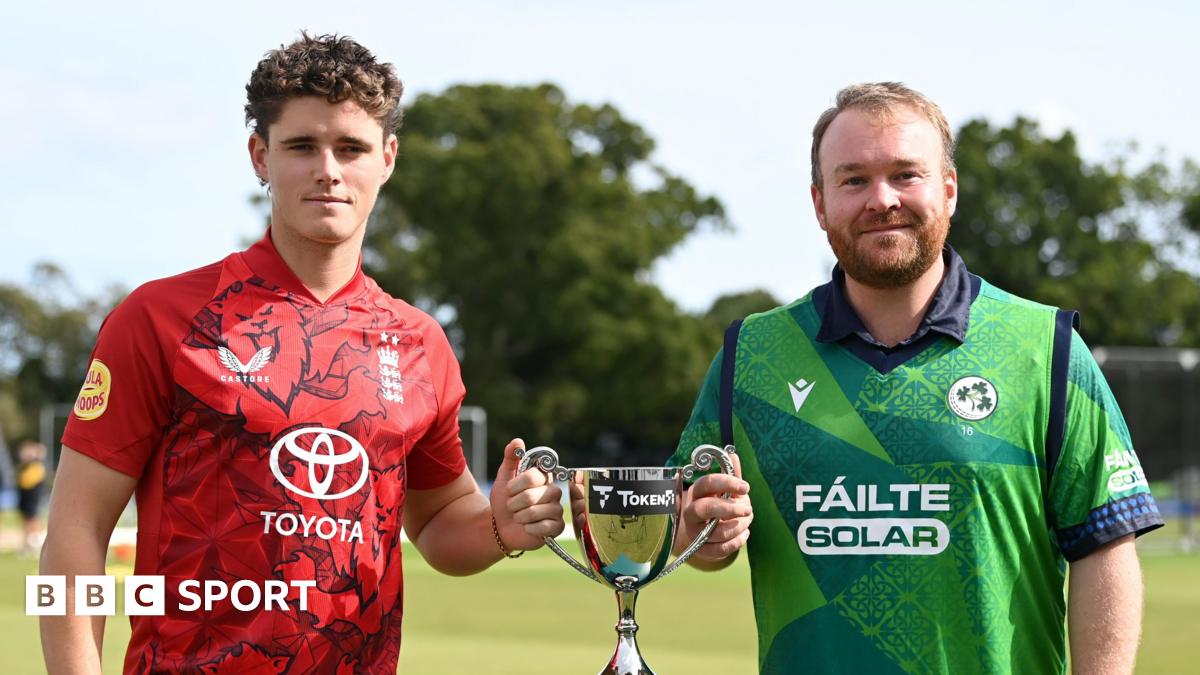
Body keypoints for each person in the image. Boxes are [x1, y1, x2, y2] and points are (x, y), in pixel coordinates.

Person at [39, 33, 563, 674]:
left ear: (388, 157)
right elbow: (74, 531)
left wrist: (498, 528)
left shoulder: (418, 341)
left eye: (351, 148)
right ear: (260, 156)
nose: (329, 170)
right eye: (301, 147)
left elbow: (437, 523)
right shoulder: (161, 318)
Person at [671, 82, 1163, 674]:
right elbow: (688, 529)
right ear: (819, 202)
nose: (882, 199)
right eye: (853, 180)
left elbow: (1104, 543)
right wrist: (698, 533)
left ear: (948, 191)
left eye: (906, 175)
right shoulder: (750, 355)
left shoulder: (1047, 349)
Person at [16, 440, 49, 555]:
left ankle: (36, 543)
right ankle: (27, 543)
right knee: (27, 520)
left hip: (32, 498)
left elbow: (29, 483)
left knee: (34, 520)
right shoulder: (24, 467)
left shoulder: (36, 466)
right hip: (25, 498)